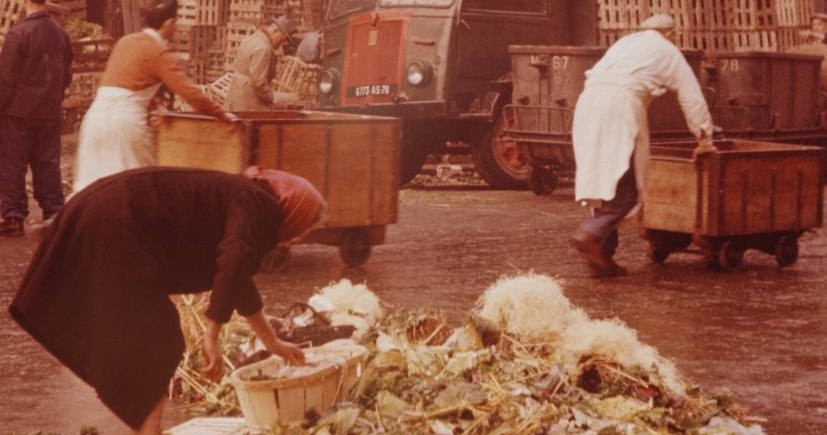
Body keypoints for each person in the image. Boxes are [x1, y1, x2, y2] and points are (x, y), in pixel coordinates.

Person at [8, 166, 326, 434]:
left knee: (149, 336)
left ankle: (148, 429)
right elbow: (234, 259)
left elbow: (237, 279)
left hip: (106, 212)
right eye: (302, 229)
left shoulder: (250, 197)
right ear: (294, 212)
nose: (295, 238)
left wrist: (272, 343)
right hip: (116, 219)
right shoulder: (261, 206)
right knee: (156, 337)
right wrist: (211, 334)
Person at [570, 14, 716, 277]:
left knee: (603, 180)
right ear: (670, 33)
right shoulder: (667, 50)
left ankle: (602, 255)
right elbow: (691, 96)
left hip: (588, 103)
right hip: (621, 105)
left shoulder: (624, 44)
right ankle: (591, 234)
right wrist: (704, 137)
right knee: (627, 187)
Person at [72, 0, 234, 193]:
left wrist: (155, 105)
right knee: (137, 188)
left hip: (95, 120)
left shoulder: (126, 42)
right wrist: (221, 115)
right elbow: (190, 93)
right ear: (168, 23)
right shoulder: (159, 52)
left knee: (92, 189)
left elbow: (130, 82)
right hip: (125, 126)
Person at [0, 0, 73, 237]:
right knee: (48, 162)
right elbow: (67, 73)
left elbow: (5, 79)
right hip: (48, 111)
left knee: (13, 163)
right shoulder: (61, 34)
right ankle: (53, 213)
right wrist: (54, 97)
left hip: (18, 111)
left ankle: (13, 216)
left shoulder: (18, 33)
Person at [225, 15, 299, 111]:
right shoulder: (263, 49)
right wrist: (273, 98)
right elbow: (258, 83)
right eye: (283, 39)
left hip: (236, 95)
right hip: (248, 101)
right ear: (276, 31)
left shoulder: (252, 39)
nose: (283, 44)